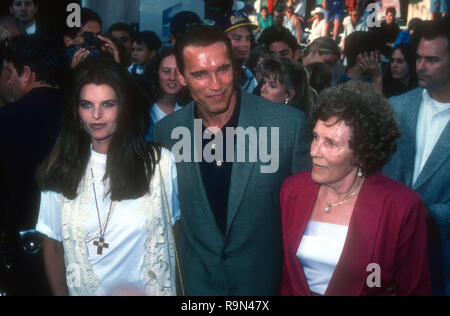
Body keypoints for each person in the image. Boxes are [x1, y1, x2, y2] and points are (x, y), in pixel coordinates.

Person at [153, 25, 311, 296]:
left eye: (222, 70)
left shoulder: (288, 126)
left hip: (265, 288)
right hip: (197, 289)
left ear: (235, 67)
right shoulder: (166, 132)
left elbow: (305, 220)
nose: (215, 85)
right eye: (200, 74)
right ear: (181, 76)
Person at [36, 58, 180, 296]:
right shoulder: (60, 168)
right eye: (87, 105)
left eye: (108, 104)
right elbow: (52, 246)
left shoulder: (159, 163)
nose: (96, 115)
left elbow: (175, 234)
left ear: (124, 108)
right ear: (76, 110)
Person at [281, 81, 432, 296]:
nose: (314, 151)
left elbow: (415, 290)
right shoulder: (292, 191)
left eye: (331, 143)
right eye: (315, 137)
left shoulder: (401, 208)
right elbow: (288, 279)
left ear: (361, 152)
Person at [383, 20, 450, 296]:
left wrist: (425, 214)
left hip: (443, 266)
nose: (421, 66)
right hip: (388, 264)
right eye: (419, 58)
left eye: (432, 59)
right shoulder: (396, 108)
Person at [0, 34, 65, 296]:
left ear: (26, 74)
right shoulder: (86, 114)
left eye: (9, 73)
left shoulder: (5, 120)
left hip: (21, 251)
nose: (6, 82)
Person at [215, 10, 258, 94]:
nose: (245, 44)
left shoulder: (248, 74)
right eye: (237, 38)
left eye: (248, 38)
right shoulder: (215, 77)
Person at [146, 47, 184, 141]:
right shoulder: (143, 110)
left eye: (178, 72)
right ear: (156, 73)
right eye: (166, 71)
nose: (172, 77)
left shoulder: (194, 110)